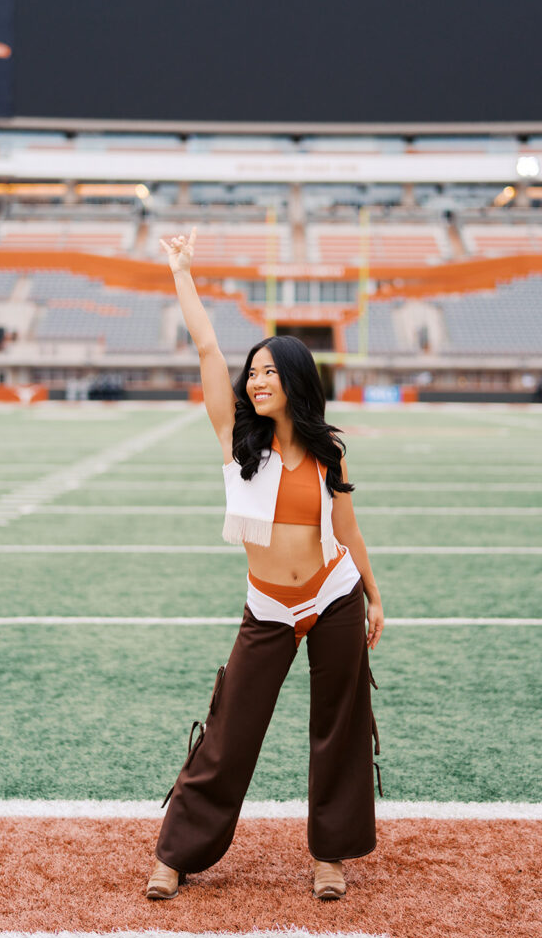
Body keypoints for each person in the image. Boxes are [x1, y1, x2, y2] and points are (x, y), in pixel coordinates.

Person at [147, 226, 385, 902]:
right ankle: (178, 853)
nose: (255, 381)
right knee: (230, 732)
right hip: (269, 607)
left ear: (296, 382)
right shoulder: (234, 441)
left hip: (332, 598)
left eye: (268, 372)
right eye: (251, 373)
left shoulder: (328, 453)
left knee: (339, 729)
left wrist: (374, 594)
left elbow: (348, 527)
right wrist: (182, 273)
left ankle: (329, 857)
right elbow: (205, 346)